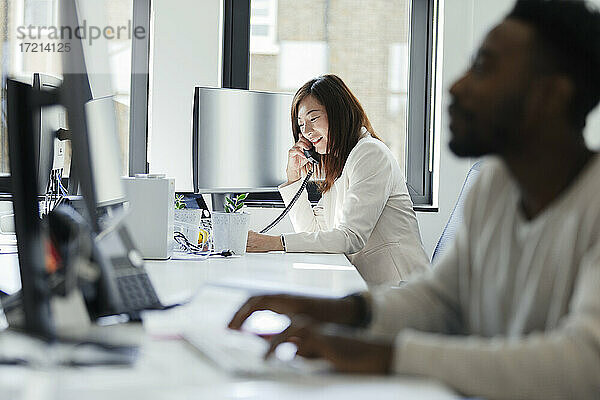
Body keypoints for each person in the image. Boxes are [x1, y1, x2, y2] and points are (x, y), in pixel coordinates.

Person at [229, 1, 600, 399]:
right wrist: (339, 312)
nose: (455, 85)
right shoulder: (495, 184)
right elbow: (440, 298)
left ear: (550, 95)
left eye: (484, 67)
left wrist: (388, 356)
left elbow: (585, 363)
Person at [246, 74, 429, 285]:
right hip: (369, 288)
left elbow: (350, 238)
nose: (306, 132)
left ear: (339, 114)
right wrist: (294, 181)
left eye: (313, 119)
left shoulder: (370, 153)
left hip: (402, 290)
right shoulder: (340, 164)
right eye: (301, 124)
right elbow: (314, 233)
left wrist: (275, 242)